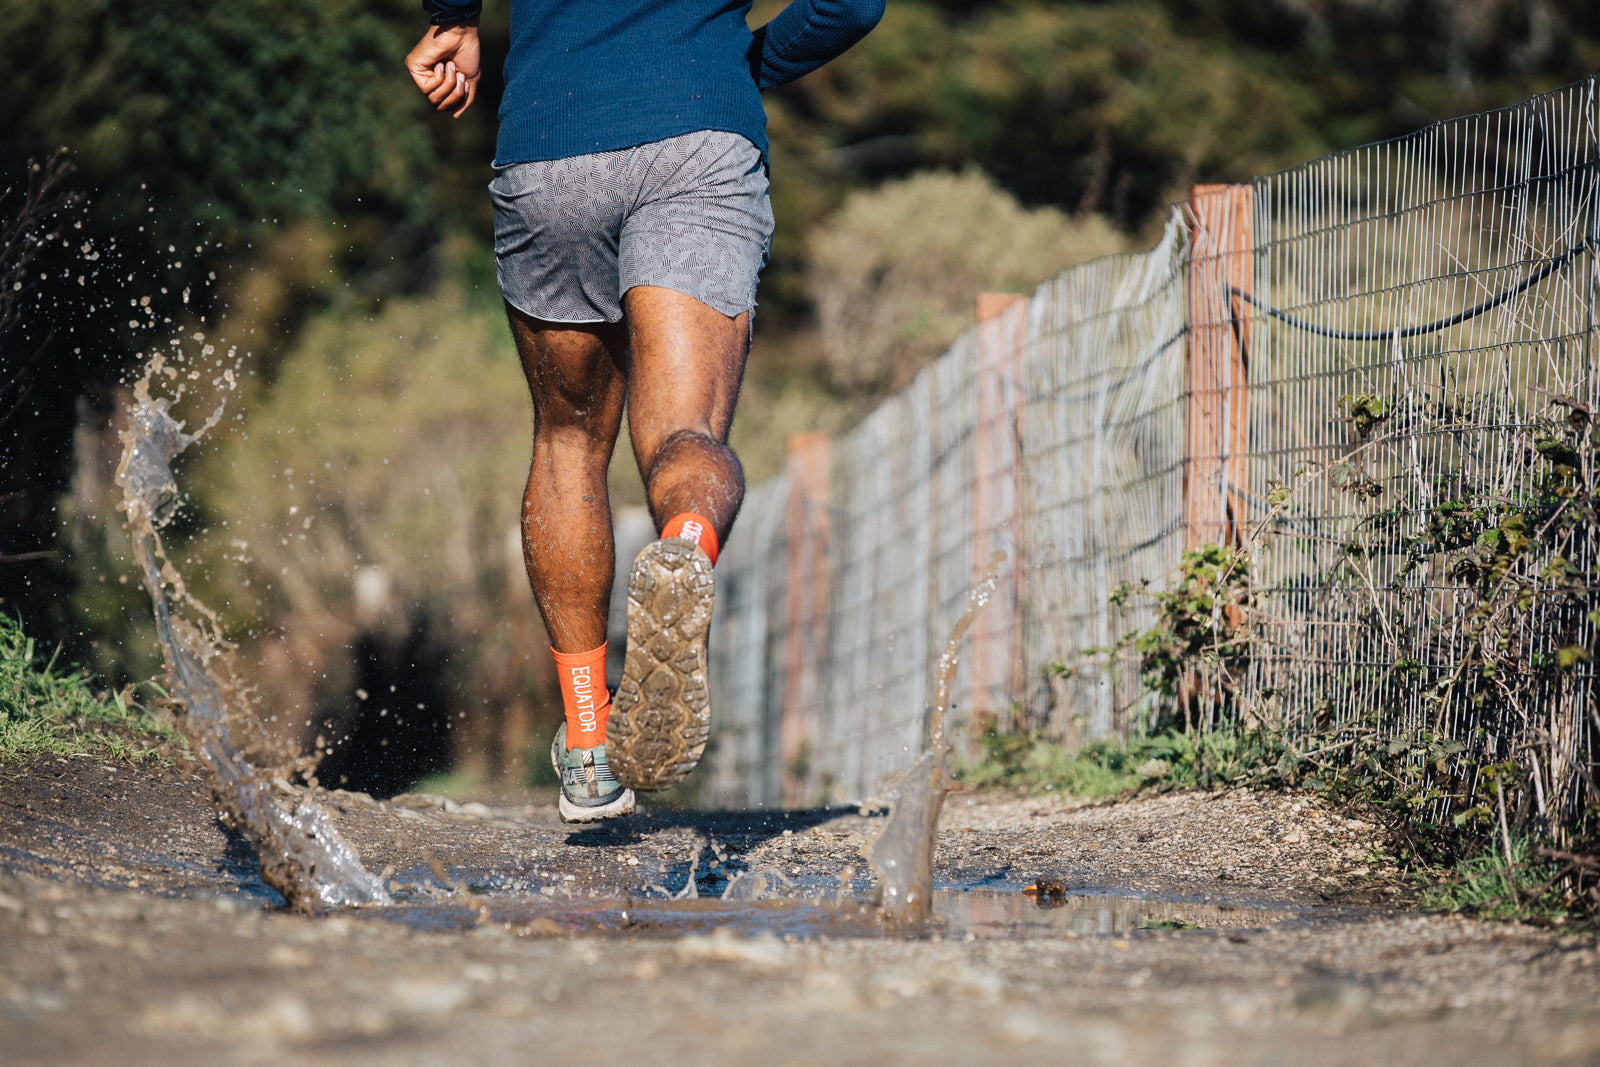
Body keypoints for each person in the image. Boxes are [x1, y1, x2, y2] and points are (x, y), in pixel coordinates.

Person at [405, 0, 883, 822]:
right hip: (697, 135)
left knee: (567, 440)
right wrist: (736, 67)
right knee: (683, 435)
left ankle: (590, 744)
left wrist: (453, 16)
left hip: (550, 145)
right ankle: (685, 549)